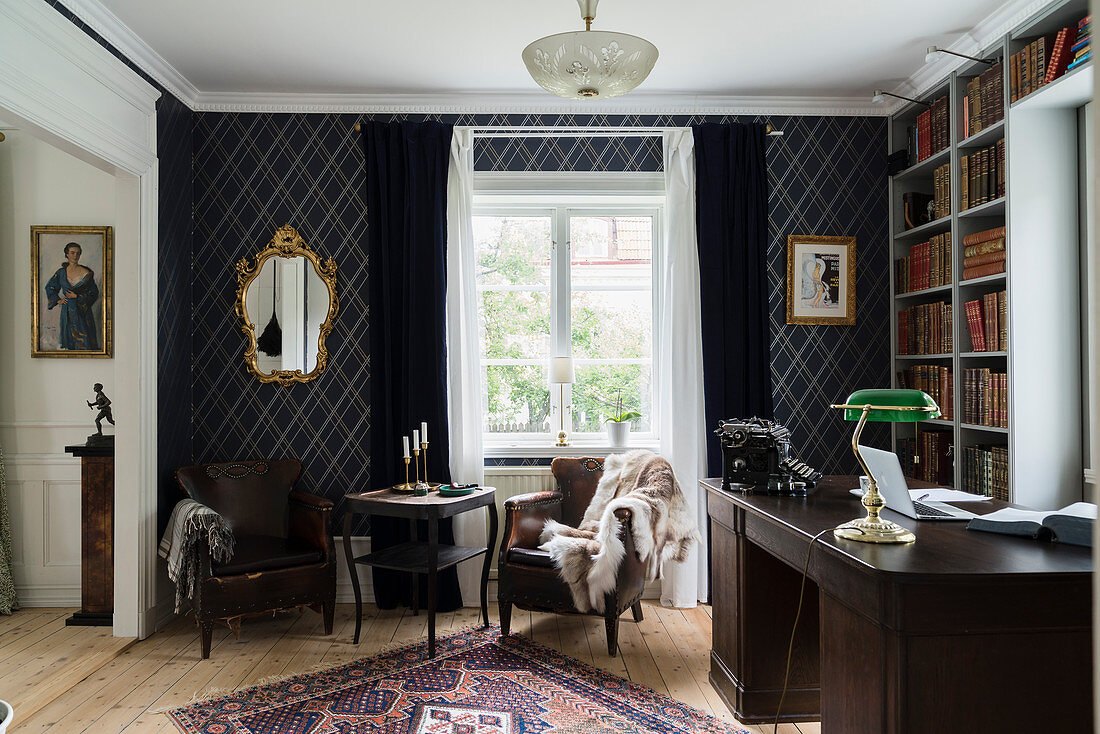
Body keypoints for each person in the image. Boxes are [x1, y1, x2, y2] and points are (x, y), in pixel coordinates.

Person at [44, 242, 99, 350]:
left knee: (85, 342)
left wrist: (78, 297)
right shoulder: (61, 273)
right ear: (67, 254)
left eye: (78, 253)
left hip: (83, 312)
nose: (75, 256)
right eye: (72, 253)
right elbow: (50, 287)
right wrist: (57, 300)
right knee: (69, 341)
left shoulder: (87, 273)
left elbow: (94, 293)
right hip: (67, 312)